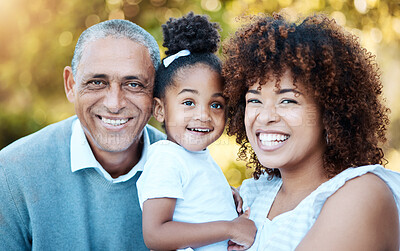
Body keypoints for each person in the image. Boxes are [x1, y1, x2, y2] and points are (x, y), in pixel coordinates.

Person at [222, 13, 400, 250]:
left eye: (287, 101)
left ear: (331, 112)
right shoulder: (249, 195)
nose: (265, 116)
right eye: (254, 101)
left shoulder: (361, 194)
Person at [0, 19, 165, 250]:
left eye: (134, 84)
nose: (114, 104)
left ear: (157, 91)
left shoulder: (191, 171)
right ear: (71, 85)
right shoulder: (12, 173)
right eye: (97, 82)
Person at [136, 12, 256, 251]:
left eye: (216, 104)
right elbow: (156, 234)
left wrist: (223, 193)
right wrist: (230, 228)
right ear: (160, 110)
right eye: (188, 102)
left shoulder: (193, 156)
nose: (203, 115)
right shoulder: (165, 159)